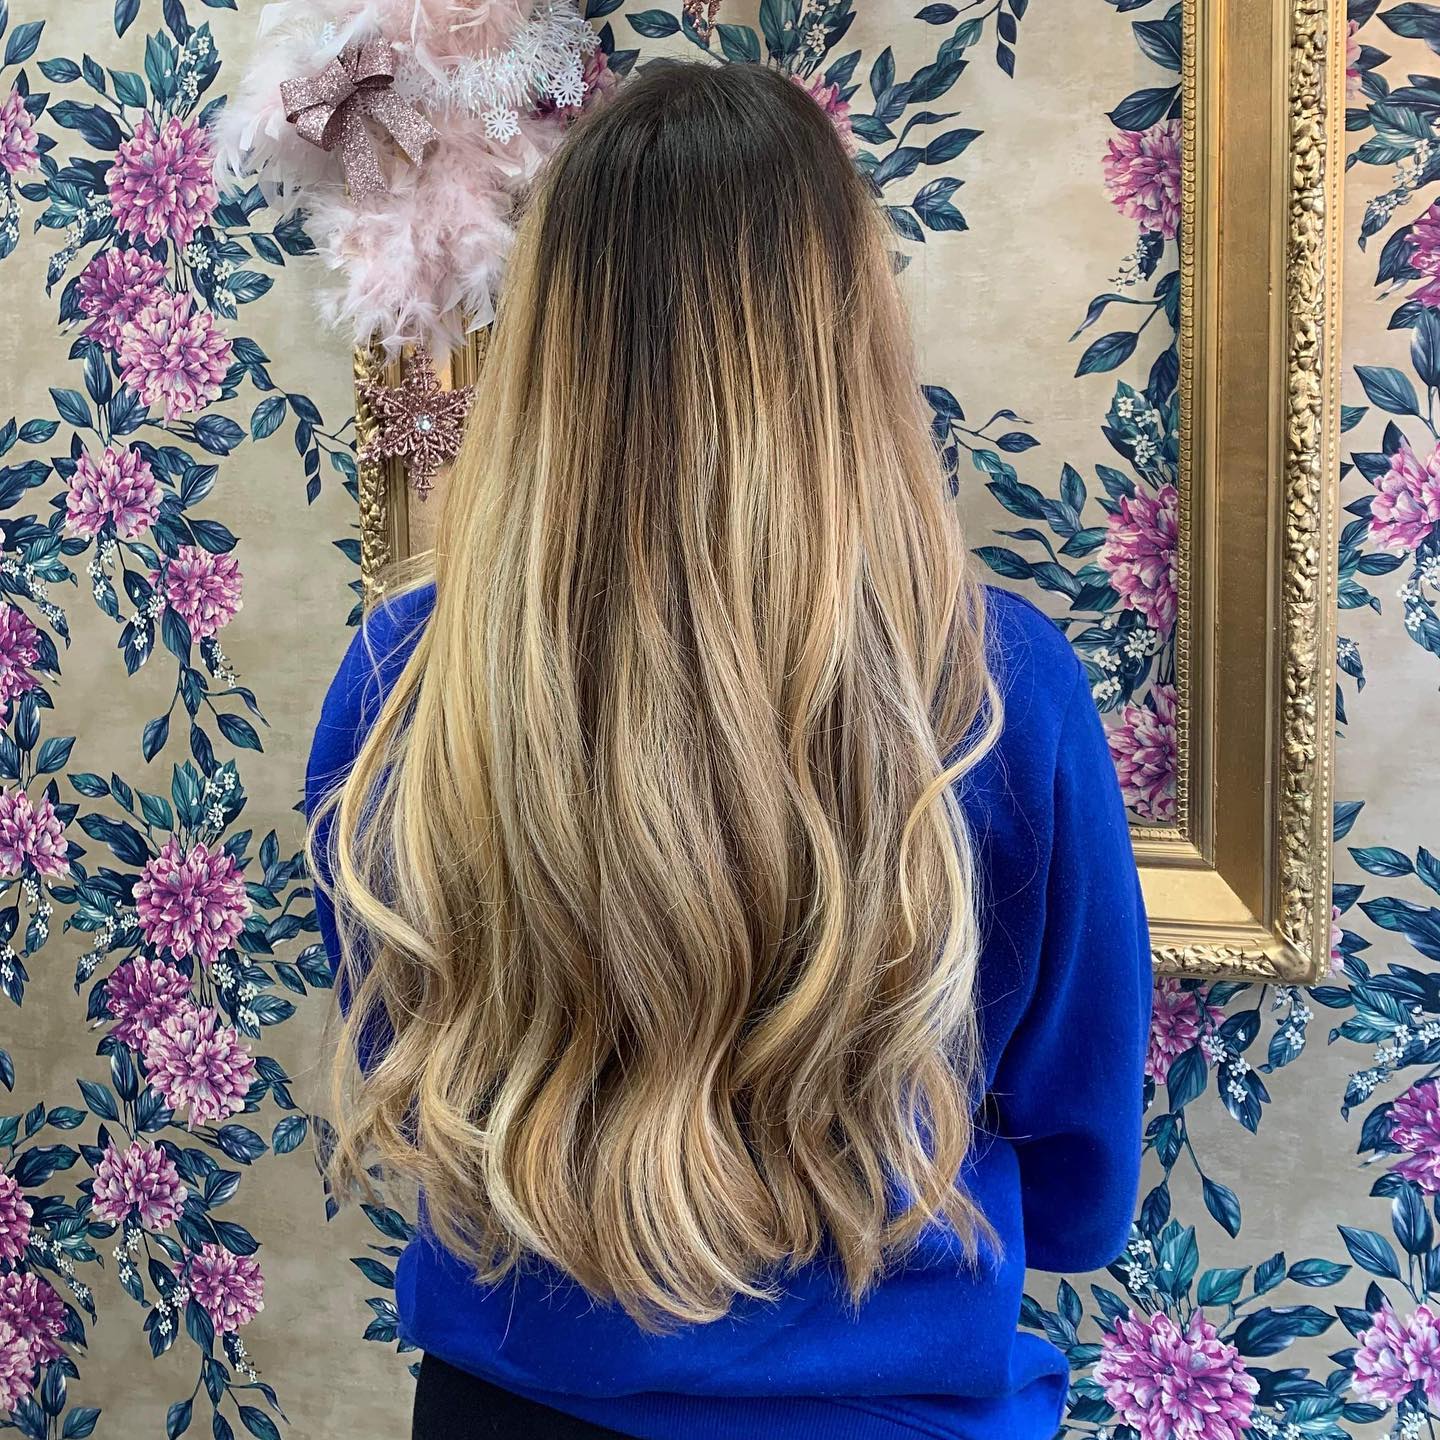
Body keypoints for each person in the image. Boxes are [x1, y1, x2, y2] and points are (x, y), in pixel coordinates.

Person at [305, 57, 1151, 1440]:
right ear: (848, 333)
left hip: (510, 1405)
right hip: (891, 1409)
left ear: (550, 336)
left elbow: (415, 1055)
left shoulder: (407, 680)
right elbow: (1081, 1191)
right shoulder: (1001, 688)